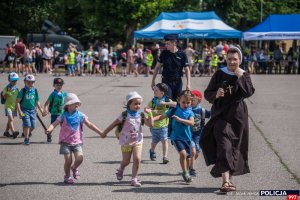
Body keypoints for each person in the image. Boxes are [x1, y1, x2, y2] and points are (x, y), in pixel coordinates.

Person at [200, 46, 255, 193]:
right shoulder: (219, 73)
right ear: (226, 59)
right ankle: (225, 181)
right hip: (221, 114)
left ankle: (229, 180)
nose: (232, 62)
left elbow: (249, 92)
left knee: (235, 147)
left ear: (240, 60)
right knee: (224, 146)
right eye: (229, 59)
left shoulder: (243, 74)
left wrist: (240, 75)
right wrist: (216, 94)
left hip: (238, 116)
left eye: (235, 59)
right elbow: (207, 93)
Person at [45, 93, 103, 184]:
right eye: (74, 103)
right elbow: (54, 124)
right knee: (68, 161)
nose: (77, 104)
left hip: (77, 142)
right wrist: (49, 129)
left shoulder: (80, 115)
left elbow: (90, 125)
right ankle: (67, 176)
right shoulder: (63, 116)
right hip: (65, 142)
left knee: (80, 158)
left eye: (77, 103)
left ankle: (74, 167)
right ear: (68, 106)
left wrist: (100, 132)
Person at [101, 91, 153, 187]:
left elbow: (150, 124)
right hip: (125, 141)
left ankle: (134, 178)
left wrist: (150, 114)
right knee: (126, 161)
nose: (138, 106)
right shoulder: (124, 115)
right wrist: (104, 132)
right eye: (135, 103)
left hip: (138, 140)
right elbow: (114, 124)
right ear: (129, 104)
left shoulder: (141, 114)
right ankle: (121, 168)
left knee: (137, 159)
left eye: (139, 104)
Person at [154, 90, 194, 183]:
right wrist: (152, 119)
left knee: (188, 157)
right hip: (176, 137)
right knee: (183, 154)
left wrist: (180, 119)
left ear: (191, 102)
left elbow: (192, 123)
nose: (186, 104)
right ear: (179, 100)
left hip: (187, 138)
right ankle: (185, 172)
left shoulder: (190, 112)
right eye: (183, 102)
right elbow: (161, 116)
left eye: (188, 103)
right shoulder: (174, 110)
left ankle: (186, 171)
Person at [151, 34, 191, 101]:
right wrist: (153, 81)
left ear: (174, 43)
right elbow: (157, 67)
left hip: (177, 82)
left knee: (177, 101)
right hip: (166, 82)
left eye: (168, 44)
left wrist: (188, 84)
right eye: (165, 43)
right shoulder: (164, 53)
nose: (165, 45)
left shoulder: (182, 54)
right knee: (168, 100)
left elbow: (187, 69)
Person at [16, 74, 44, 145]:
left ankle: (25, 132)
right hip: (24, 110)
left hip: (32, 110)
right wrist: (20, 112)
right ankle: (26, 139)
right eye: (28, 82)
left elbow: (37, 101)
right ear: (25, 82)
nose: (30, 84)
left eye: (32, 82)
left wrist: (40, 109)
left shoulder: (35, 90)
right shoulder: (23, 91)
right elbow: (18, 102)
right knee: (27, 124)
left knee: (33, 126)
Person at [189, 89, 211, 176]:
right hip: (189, 134)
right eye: (190, 100)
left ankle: (190, 165)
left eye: (193, 100)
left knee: (197, 152)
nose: (190, 102)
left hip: (198, 135)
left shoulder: (202, 111)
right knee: (193, 151)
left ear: (198, 100)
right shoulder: (187, 109)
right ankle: (192, 169)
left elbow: (212, 114)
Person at [147, 83, 170, 164]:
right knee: (154, 142)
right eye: (154, 89)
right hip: (154, 126)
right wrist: (151, 111)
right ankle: (152, 151)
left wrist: (165, 104)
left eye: (156, 90)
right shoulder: (153, 100)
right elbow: (146, 109)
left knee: (164, 140)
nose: (154, 91)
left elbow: (175, 104)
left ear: (162, 93)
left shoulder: (167, 100)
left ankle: (165, 157)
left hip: (164, 125)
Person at [42, 78, 67, 143]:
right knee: (52, 125)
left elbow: (67, 102)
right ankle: (49, 134)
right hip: (54, 113)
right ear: (54, 85)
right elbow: (46, 103)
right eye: (57, 85)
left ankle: (64, 138)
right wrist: (45, 110)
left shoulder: (64, 94)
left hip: (62, 113)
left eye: (61, 85)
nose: (59, 86)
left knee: (64, 126)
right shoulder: (53, 94)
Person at [1, 73, 20, 138]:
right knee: (11, 119)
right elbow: (4, 97)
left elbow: (18, 98)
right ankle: (13, 132)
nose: (15, 82)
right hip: (8, 106)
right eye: (13, 80)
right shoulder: (6, 88)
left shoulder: (16, 89)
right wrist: (9, 91)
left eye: (16, 80)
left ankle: (6, 132)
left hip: (14, 107)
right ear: (9, 80)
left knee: (10, 120)